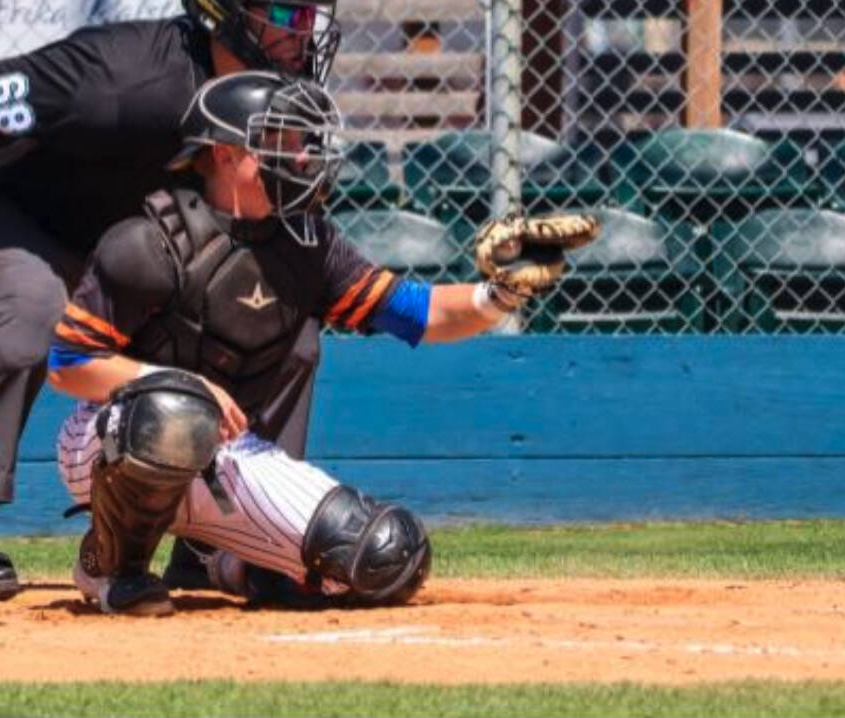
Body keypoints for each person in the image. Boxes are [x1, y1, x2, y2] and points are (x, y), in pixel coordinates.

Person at [0, 0, 341, 601]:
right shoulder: (122, 77)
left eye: (309, 21)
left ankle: (219, 536)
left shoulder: (271, 104)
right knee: (26, 313)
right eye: (283, 18)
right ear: (224, 13)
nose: (300, 38)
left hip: (132, 247)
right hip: (23, 215)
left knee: (288, 331)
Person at [46, 70, 600, 615]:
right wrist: (179, 385)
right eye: (279, 141)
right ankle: (112, 565)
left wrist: (498, 293)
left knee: (386, 556)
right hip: (111, 444)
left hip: (230, 457)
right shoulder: (150, 241)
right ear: (223, 153)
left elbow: (417, 313)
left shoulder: (308, 243)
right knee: (173, 412)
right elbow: (69, 365)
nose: (302, 157)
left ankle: (231, 563)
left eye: (301, 141)